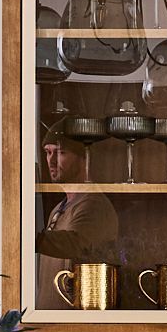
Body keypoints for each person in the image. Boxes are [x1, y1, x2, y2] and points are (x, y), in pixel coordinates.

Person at [38, 128, 122, 306]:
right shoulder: (57, 209)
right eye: (48, 152)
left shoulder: (94, 205)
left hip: (73, 326)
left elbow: (75, 245)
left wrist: (26, 237)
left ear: (85, 157)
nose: (51, 161)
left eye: (61, 153)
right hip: (45, 325)